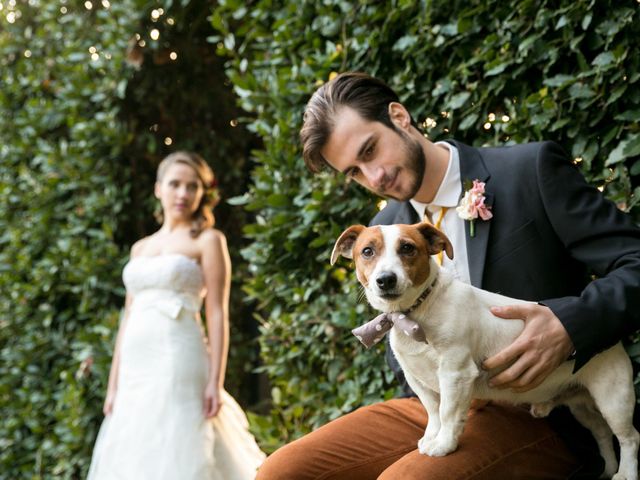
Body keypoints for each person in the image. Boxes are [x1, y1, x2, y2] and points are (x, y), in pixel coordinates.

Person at [256, 72, 640, 479]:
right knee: (283, 471)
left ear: (399, 117)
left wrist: (569, 327)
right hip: (433, 404)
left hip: (539, 404)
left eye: (370, 150)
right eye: (354, 172)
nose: (374, 178)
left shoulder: (530, 170)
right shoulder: (382, 228)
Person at [88, 151, 265, 479]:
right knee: (135, 445)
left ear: (202, 193)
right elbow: (128, 318)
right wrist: (114, 385)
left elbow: (216, 312)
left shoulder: (209, 240)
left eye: (191, 186)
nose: (182, 193)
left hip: (178, 353)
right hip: (135, 363)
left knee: (178, 438)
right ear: (159, 188)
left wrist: (215, 380)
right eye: (175, 184)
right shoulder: (139, 249)